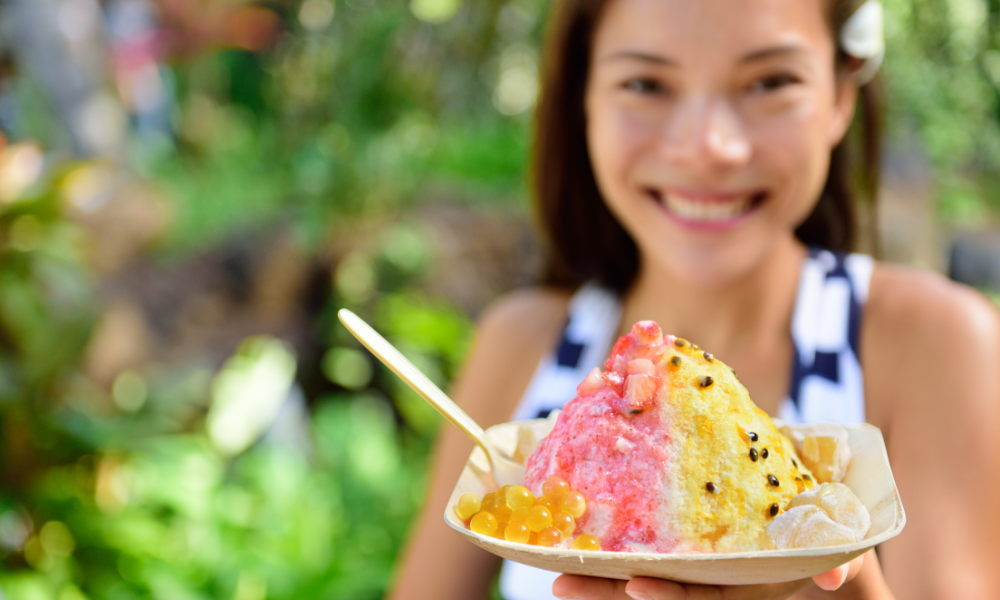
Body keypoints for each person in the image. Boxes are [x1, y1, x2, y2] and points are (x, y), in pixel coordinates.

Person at [387, 0, 1000, 598]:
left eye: (770, 81)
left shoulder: (939, 346)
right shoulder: (517, 347)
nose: (709, 147)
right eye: (647, 83)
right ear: (584, 98)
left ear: (841, 96)